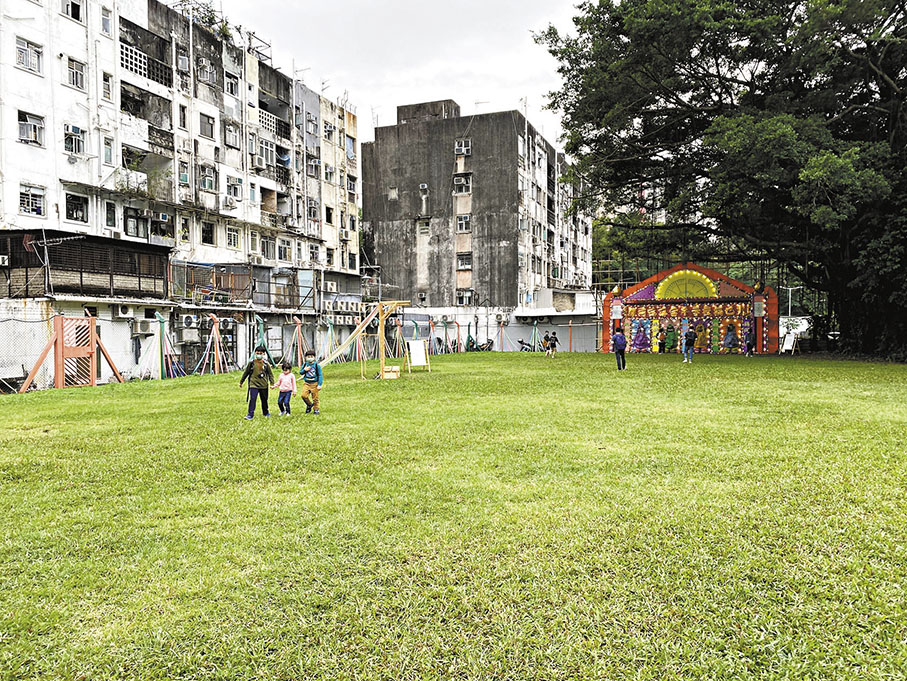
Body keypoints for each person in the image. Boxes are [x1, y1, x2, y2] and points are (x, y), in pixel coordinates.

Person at [240, 345, 274, 419]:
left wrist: (272, 383)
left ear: (264, 354)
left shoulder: (266, 364)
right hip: (253, 384)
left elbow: (270, 374)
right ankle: (250, 414)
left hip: (264, 385)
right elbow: (246, 373)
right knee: (253, 399)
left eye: (260, 353)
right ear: (255, 353)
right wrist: (241, 381)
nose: (259, 354)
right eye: (257, 353)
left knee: (264, 400)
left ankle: (266, 413)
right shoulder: (251, 363)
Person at [299, 350, 323, 415]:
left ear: (314, 357)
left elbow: (320, 375)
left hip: (314, 383)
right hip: (306, 383)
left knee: (315, 398)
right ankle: (309, 404)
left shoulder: (317, 366)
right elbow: (300, 372)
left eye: (311, 356)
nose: (310, 358)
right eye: (308, 356)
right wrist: (304, 370)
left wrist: (319, 384)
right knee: (303, 395)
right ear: (306, 357)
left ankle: (316, 409)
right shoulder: (305, 364)